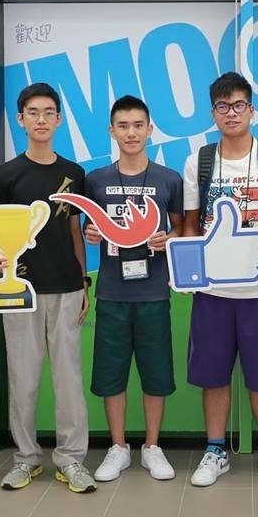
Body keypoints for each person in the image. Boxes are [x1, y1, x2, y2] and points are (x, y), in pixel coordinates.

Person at [182, 71, 258, 487]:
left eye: (238, 105)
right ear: (213, 113)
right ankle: (215, 450)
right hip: (212, 289)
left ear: (251, 110)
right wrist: (191, 272)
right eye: (222, 106)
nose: (231, 113)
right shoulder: (199, 161)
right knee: (212, 373)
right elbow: (191, 224)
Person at [0, 82, 95, 493]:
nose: (41, 120)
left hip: (67, 288)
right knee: (24, 377)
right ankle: (26, 458)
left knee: (68, 378)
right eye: (33, 113)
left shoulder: (74, 173)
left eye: (49, 112)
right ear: (21, 119)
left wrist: (84, 281)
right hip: (20, 290)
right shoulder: (5, 175)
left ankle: (71, 458)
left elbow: (75, 230)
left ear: (59, 119)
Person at [84, 95, 183, 482]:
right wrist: (91, 233)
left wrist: (168, 239)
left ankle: (152, 447)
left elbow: (181, 229)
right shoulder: (96, 180)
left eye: (138, 125)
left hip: (154, 292)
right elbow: (88, 227)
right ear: (112, 131)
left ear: (149, 129)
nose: (131, 133)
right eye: (123, 126)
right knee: (111, 373)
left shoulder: (168, 179)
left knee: (156, 372)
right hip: (111, 292)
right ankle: (118, 447)